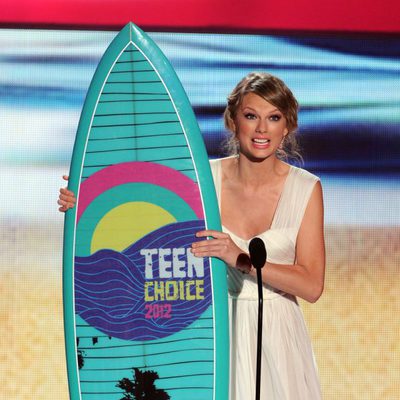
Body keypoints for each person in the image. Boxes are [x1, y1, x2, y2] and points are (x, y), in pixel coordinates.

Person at [58, 72, 325, 400]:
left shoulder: (306, 188)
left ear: (287, 126)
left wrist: (239, 258)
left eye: (273, 118)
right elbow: (142, 219)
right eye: (251, 116)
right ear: (233, 120)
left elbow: (311, 286)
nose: (261, 129)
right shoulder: (201, 180)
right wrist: (88, 199)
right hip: (207, 333)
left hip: (277, 337)